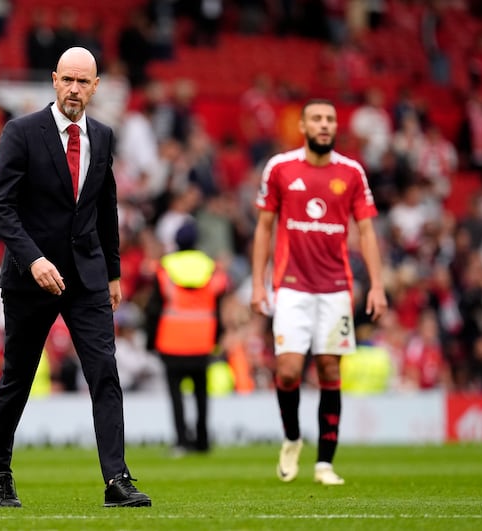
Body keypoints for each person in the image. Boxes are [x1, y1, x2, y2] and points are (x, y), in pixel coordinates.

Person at [0, 47, 151, 508]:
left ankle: (117, 479)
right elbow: (2, 205)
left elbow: (105, 207)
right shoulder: (20, 132)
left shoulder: (103, 135)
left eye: (84, 82)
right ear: (54, 81)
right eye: (67, 80)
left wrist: (113, 272)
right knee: (17, 377)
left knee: (105, 375)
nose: (74, 89)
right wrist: (34, 259)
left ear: (96, 87)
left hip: (87, 277)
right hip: (29, 277)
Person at [250, 99, 388, 486]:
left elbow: (367, 231)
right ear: (305, 126)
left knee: (329, 369)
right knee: (290, 371)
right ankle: (292, 437)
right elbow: (264, 227)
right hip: (291, 286)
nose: (324, 125)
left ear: (335, 127)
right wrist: (258, 284)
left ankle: (325, 462)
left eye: (329, 119)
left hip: (336, 288)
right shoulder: (280, 168)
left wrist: (377, 285)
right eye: (317, 119)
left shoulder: (352, 172)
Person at [145, 221, 226, 455]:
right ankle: (202, 441)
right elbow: (217, 308)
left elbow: (154, 309)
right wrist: (216, 338)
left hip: (171, 339)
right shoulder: (210, 267)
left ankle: (181, 440)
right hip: (202, 339)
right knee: (201, 392)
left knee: (176, 394)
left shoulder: (165, 267)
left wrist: (151, 341)